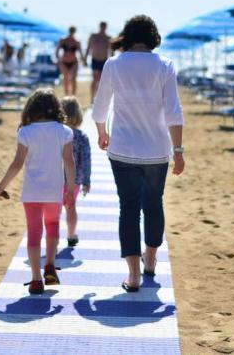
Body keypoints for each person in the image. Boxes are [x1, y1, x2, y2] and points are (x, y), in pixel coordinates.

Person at [92, 15, 185, 292]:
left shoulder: (114, 64)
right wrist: (178, 150)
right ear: (153, 37)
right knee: (154, 203)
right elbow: (173, 112)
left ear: (128, 36)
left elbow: (100, 107)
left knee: (129, 209)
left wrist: (101, 132)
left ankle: (133, 276)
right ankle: (151, 261)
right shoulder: (165, 65)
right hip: (157, 150)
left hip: (123, 149)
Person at [0, 88, 76, 295]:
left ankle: (36, 278)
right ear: (56, 108)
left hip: (32, 192)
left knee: (34, 232)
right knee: (53, 225)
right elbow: (69, 162)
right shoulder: (64, 131)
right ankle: (50, 264)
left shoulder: (25, 132)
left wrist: (1, 186)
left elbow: (17, 164)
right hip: (54, 190)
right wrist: (70, 189)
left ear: (31, 108)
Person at [61, 96, 91, 247]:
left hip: (55, 178)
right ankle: (71, 235)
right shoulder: (81, 136)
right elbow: (86, 160)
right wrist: (86, 181)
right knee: (71, 209)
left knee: (51, 209)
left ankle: (49, 234)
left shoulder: (57, 134)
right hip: (75, 180)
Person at [84, 22, 112, 102]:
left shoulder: (108, 37)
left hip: (104, 60)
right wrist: (85, 58)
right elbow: (88, 48)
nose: (103, 28)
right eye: (102, 26)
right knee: (94, 78)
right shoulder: (93, 36)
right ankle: (92, 98)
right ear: (99, 27)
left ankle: (98, 97)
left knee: (101, 80)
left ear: (106, 27)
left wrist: (112, 61)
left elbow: (111, 50)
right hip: (95, 59)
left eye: (104, 27)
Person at [55, 27, 82, 95]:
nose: (71, 32)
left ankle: (73, 95)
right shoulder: (63, 40)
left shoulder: (76, 41)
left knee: (73, 79)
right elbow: (57, 50)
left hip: (73, 62)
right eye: (71, 31)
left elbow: (80, 52)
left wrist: (83, 60)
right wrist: (58, 59)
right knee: (66, 79)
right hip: (64, 62)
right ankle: (66, 95)